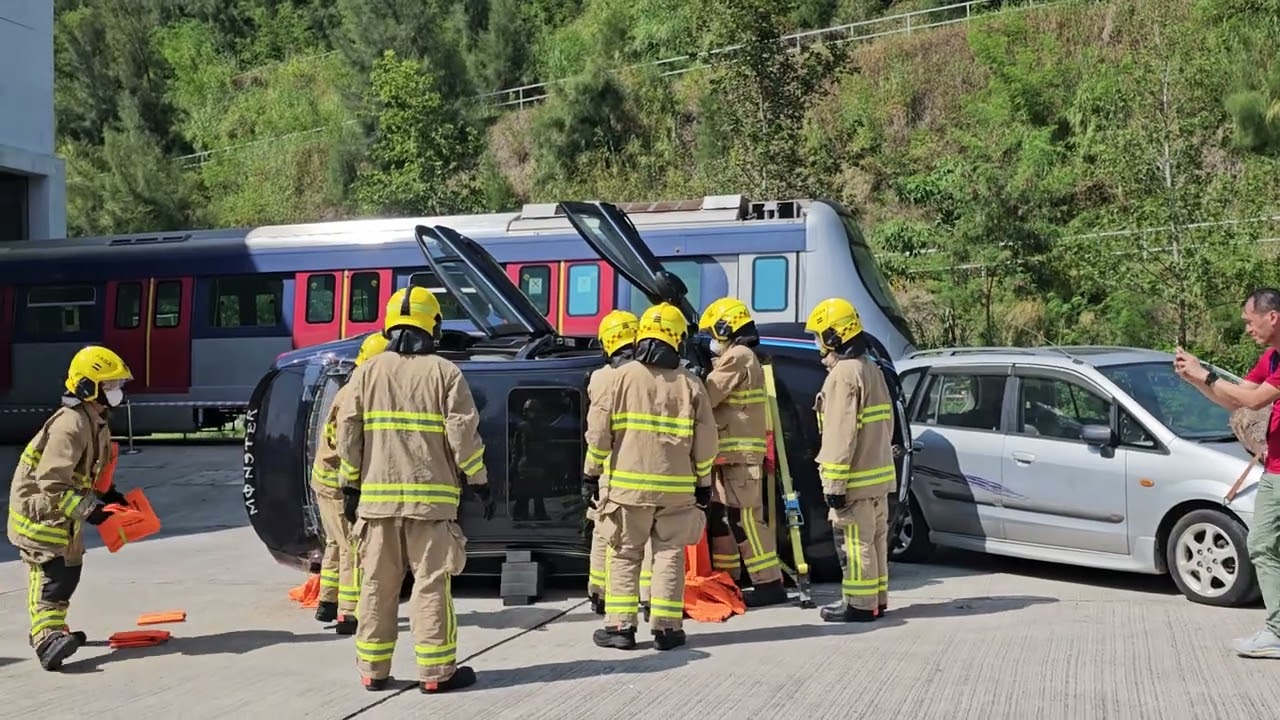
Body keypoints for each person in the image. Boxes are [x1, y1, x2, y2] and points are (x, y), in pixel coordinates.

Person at [336, 286, 495, 693]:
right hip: (432, 504)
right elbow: (463, 435)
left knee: (376, 587)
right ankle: (436, 674)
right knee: (430, 587)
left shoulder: (367, 372)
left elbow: (348, 430)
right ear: (433, 325)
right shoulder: (445, 373)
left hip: (376, 505)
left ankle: (373, 671)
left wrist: (349, 483)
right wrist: (478, 479)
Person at [585, 302, 718, 650]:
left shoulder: (620, 378)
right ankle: (667, 629)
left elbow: (599, 433)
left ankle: (620, 628)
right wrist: (703, 484)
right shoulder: (691, 384)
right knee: (669, 554)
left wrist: (591, 472)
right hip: (677, 492)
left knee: (625, 554)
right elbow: (706, 444)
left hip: (629, 491)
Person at [7, 345, 134, 670]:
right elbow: (52, 481)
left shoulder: (96, 420)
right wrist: (90, 510)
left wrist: (109, 496)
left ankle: (52, 628)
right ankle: (46, 637)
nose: (116, 392)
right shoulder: (71, 424)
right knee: (50, 572)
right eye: (109, 386)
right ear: (86, 387)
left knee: (69, 571)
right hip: (41, 512)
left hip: (60, 512)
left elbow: (90, 470)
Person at [1175, 288, 1280, 659]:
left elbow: (1253, 401)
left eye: (1250, 321)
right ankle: (1276, 630)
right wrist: (1194, 376)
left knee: (1263, 545)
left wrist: (1206, 374)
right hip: (1275, 469)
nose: (1248, 329)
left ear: (1273, 317)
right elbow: (1236, 398)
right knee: (1263, 545)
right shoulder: (1271, 358)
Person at [804, 298, 897, 623]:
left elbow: (840, 435)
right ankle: (877, 600)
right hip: (878, 478)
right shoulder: (871, 368)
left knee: (855, 546)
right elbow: (888, 425)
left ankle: (858, 605)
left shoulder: (843, 374)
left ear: (833, 336)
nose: (817, 343)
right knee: (875, 543)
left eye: (819, 336)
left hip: (854, 482)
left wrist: (834, 484)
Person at [697, 297, 787, 607]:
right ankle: (729, 577)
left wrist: (692, 377)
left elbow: (708, 395)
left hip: (741, 458)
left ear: (726, 329)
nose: (713, 339)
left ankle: (769, 584)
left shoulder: (738, 356)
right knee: (725, 519)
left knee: (745, 519)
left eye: (714, 332)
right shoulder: (742, 356)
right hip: (729, 457)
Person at [310, 331, 389, 634]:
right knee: (353, 546)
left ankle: (328, 603)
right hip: (337, 484)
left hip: (325, 480)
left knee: (335, 542)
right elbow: (350, 446)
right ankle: (349, 613)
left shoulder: (351, 387)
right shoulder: (358, 394)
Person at [584, 310, 654, 618]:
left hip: (608, 469)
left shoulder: (600, 377)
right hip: (640, 467)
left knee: (603, 531)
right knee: (647, 537)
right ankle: (649, 596)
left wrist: (591, 471)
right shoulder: (646, 374)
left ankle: (599, 593)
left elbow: (597, 432)